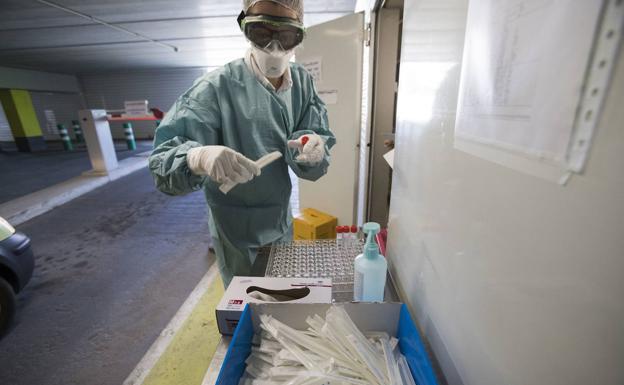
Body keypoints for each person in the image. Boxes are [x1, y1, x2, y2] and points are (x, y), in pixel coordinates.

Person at [148, 0, 335, 287]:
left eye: (285, 36)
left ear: (299, 34)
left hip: (279, 219)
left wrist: (315, 147)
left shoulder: (301, 82)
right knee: (246, 304)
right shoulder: (215, 88)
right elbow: (163, 163)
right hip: (234, 229)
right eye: (262, 32)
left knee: (281, 293)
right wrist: (197, 157)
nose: (274, 47)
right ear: (244, 26)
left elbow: (313, 136)